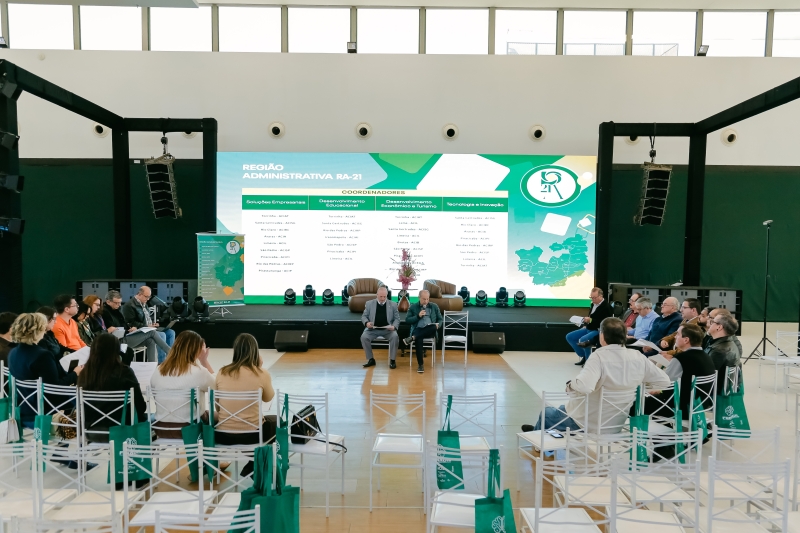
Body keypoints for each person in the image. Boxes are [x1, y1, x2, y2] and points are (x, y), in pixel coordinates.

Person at [522, 317, 670, 435]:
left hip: (588, 423)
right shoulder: (637, 356)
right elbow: (664, 381)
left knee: (546, 414)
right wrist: (641, 386)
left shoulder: (599, 356)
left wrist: (571, 384)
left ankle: (538, 439)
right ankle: (539, 430)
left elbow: (584, 386)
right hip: (617, 423)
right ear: (624, 336)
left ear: (602, 336)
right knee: (561, 408)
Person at [8, 313, 82, 429]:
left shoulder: (13, 352)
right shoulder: (42, 355)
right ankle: (82, 433)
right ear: (39, 331)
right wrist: (75, 373)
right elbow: (54, 389)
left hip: (23, 406)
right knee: (85, 396)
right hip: (43, 407)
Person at [77, 333, 147, 442]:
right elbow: (140, 406)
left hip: (91, 431)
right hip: (122, 430)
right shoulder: (124, 372)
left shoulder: (85, 374)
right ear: (116, 351)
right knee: (149, 419)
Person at [150, 330, 215, 439]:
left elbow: (154, 395)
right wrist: (204, 361)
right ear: (196, 350)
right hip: (190, 428)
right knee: (219, 417)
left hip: (161, 428)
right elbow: (217, 387)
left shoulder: (159, 370)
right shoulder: (199, 372)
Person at [214, 333, 276, 446]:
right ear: (255, 351)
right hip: (253, 435)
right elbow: (268, 398)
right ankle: (263, 457)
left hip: (223, 435)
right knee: (278, 421)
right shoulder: (262, 373)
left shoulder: (222, 372)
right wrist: (259, 368)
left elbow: (218, 408)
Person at [645, 324, 716, 418]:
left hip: (679, 407)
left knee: (637, 402)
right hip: (700, 405)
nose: (675, 337)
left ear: (686, 340)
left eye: (678, 334)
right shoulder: (707, 357)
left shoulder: (681, 358)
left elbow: (666, 384)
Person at [121, 287, 174, 364]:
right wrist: (147, 326)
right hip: (140, 330)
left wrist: (152, 324)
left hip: (148, 328)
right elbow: (130, 323)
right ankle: (162, 362)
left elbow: (146, 318)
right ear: (139, 294)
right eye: (146, 296)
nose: (148, 299)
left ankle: (169, 360)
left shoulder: (144, 303)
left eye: (149, 296)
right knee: (162, 335)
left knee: (170, 332)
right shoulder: (129, 305)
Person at [565, 287, 613, 366]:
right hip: (589, 327)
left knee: (584, 340)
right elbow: (590, 316)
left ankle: (589, 362)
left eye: (594, 297)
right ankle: (584, 356)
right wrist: (586, 323)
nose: (593, 299)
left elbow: (604, 323)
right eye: (591, 297)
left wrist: (590, 320)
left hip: (598, 330)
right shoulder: (593, 304)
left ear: (601, 296)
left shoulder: (607, 307)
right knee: (569, 337)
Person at [360, 287, 401, 369]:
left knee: (395, 336)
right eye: (380, 296)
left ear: (387, 295)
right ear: (377, 295)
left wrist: (394, 326)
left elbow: (397, 319)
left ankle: (392, 360)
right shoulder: (369, 304)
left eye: (384, 297)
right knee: (364, 337)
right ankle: (371, 359)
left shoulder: (393, 304)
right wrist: (367, 323)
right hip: (373, 329)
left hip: (387, 330)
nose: (382, 299)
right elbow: (364, 316)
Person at [403, 289, 443, 374]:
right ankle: (420, 365)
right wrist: (418, 316)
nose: (426, 301)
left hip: (430, 330)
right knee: (419, 338)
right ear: (419, 297)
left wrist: (438, 325)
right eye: (424, 299)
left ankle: (412, 338)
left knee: (433, 327)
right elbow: (407, 320)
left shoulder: (434, 306)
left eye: (427, 299)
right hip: (418, 329)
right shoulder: (413, 307)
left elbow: (440, 319)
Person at [705, 312, 742, 392]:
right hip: (722, 388)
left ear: (719, 327)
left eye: (712, 322)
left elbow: (706, 375)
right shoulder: (728, 342)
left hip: (714, 392)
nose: (709, 323)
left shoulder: (719, 351)